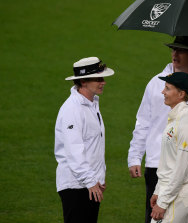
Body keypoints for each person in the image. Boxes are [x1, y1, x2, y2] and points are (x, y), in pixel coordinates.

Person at [128, 36, 188, 223]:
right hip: (157, 163)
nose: (175, 54)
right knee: (155, 218)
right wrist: (134, 156)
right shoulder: (155, 83)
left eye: (181, 50)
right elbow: (143, 122)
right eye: (173, 49)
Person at [55, 57, 115, 223]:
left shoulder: (92, 103)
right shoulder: (72, 109)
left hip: (89, 184)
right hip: (76, 186)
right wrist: (90, 180)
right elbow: (74, 151)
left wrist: (98, 178)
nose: (103, 82)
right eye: (98, 79)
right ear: (83, 81)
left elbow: (92, 145)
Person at [150, 72, 188, 223]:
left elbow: (181, 169)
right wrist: (158, 190)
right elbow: (168, 161)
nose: (162, 92)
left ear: (181, 94)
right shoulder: (176, 119)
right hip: (171, 191)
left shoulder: (186, 123)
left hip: (179, 194)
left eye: (167, 88)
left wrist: (163, 202)